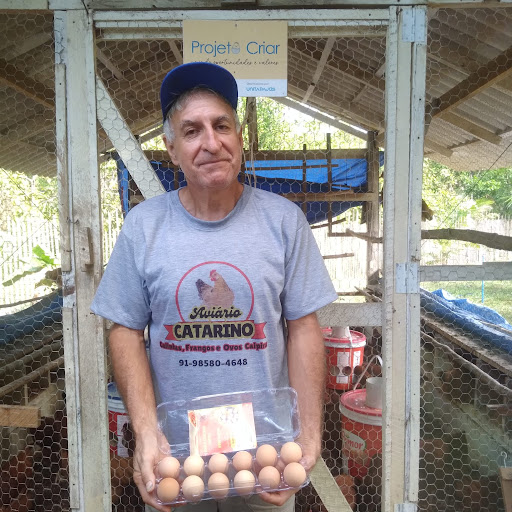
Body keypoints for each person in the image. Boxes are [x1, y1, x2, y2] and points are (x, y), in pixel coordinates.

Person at [91, 62, 337, 512]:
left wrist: (308, 432)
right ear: (171, 149)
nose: (211, 141)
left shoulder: (284, 222)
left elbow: (304, 328)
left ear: (239, 138)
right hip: (174, 458)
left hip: (267, 454)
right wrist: (146, 432)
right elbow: (124, 330)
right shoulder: (143, 227)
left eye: (221, 125)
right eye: (191, 131)